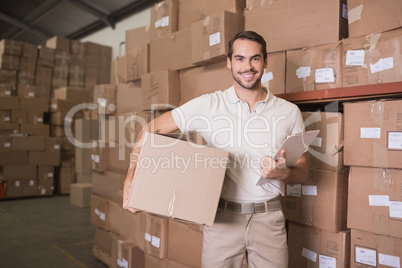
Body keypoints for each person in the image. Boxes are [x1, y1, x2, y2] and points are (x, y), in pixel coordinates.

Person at [123, 31, 309, 268]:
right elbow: (150, 130)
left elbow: (304, 170)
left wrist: (284, 173)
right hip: (222, 219)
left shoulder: (288, 112)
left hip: (269, 217)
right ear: (229, 63)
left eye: (255, 58)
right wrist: (131, 179)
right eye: (240, 59)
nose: (248, 66)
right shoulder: (209, 105)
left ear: (265, 61)